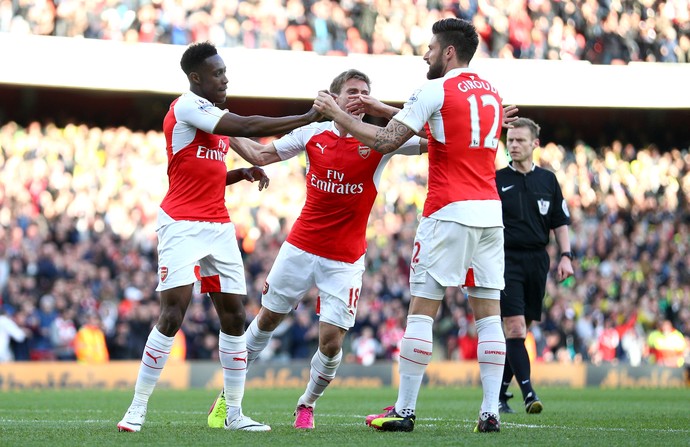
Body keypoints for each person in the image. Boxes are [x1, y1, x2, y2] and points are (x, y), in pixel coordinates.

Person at [315, 17, 508, 433]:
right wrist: (375, 108)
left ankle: (404, 410)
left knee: (422, 309)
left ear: (448, 52)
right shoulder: (491, 92)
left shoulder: (434, 88)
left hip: (448, 210)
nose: (426, 54)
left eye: (431, 48)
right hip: (490, 214)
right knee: (489, 315)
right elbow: (430, 126)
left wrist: (337, 113)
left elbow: (386, 141)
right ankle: (490, 412)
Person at [205, 68, 426, 430]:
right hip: (301, 247)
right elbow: (261, 155)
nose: (359, 98)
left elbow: (430, 138)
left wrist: (383, 107)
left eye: (365, 93)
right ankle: (227, 400)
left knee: (330, 343)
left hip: (345, 258)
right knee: (267, 320)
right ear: (334, 97)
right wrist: (220, 127)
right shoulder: (313, 133)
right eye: (352, 92)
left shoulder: (382, 138)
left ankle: (307, 403)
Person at [117, 41, 320, 433]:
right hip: (181, 224)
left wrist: (239, 174)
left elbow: (211, 168)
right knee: (173, 313)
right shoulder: (188, 107)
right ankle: (137, 408)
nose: (225, 78)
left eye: (225, 72)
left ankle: (234, 414)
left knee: (234, 316)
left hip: (218, 226)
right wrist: (309, 116)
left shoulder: (212, 117)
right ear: (196, 78)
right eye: (217, 73)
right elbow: (246, 127)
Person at [494, 117, 574, 415]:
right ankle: (529, 393)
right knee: (514, 327)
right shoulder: (498, 180)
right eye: (510, 140)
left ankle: (500, 395)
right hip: (505, 259)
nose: (513, 145)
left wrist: (566, 255)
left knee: (521, 329)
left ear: (534, 144)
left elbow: (560, 221)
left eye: (520, 140)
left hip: (538, 260)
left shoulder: (548, 180)